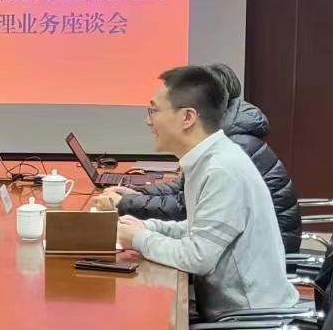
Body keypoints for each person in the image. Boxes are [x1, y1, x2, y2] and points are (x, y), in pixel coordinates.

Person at [117, 66, 301, 330]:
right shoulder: (210, 158)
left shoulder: (221, 169)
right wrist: (149, 226)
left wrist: (139, 239)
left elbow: (198, 257)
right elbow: (197, 229)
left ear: (187, 117)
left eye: (154, 110)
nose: (149, 120)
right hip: (234, 325)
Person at [94, 64, 302, 253]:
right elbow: (183, 191)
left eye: (154, 111)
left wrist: (132, 216)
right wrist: (139, 195)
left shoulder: (230, 151)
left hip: (262, 255)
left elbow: (193, 235)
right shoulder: (218, 141)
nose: (148, 121)